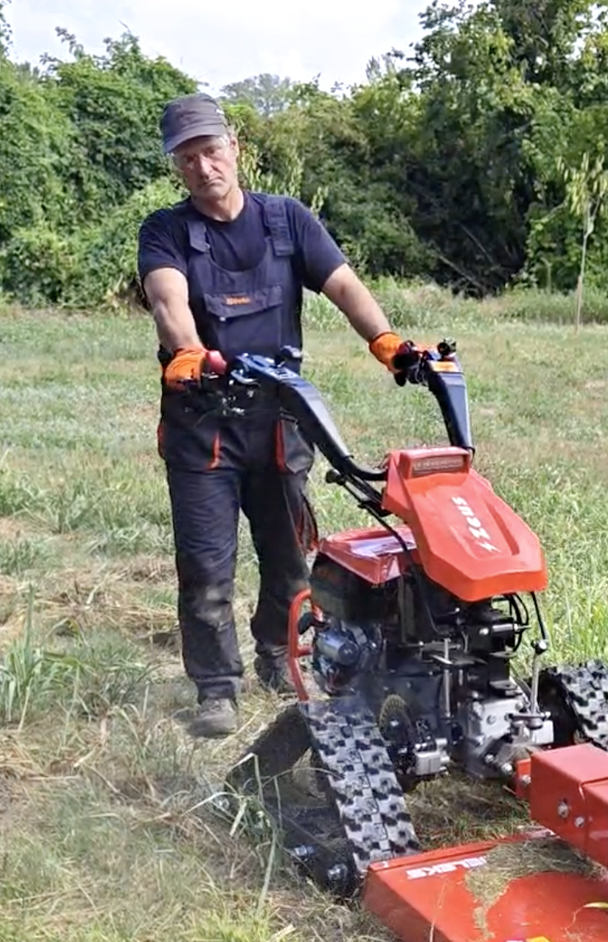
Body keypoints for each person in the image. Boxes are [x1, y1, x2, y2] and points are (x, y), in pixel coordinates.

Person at [138, 93, 410, 738]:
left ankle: (276, 654)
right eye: (187, 158)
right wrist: (187, 352)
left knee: (289, 556)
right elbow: (167, 297)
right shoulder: (166, 230)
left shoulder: (286, 221)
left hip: (281, 421)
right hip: (203, 424)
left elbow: (343, 284)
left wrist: (386, 342)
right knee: (206, 564)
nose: (203, 167)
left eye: (211, 151)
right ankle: (216, 688)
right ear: (177, 165)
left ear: (233, 148)